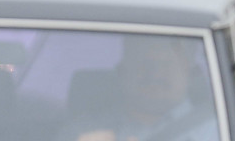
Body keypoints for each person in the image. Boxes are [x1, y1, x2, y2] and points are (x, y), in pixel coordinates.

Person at [67, 36, 217, 141]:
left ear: (190, 74)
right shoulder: (82, 131)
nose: (155, 73)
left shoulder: (220, 131)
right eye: (145, 63)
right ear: (122, 72)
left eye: (167, 64)